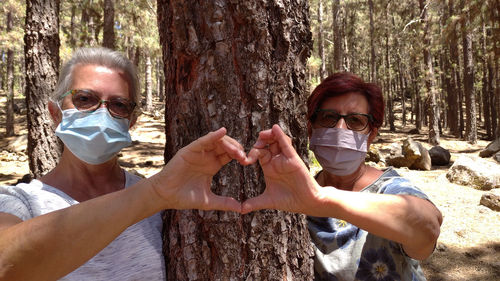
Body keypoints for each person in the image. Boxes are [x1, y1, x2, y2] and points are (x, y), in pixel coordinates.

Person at [0, 47, 249, 280]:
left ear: (131, 122)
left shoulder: (162, 205)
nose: (101, 113)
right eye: (85, 99)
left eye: (119, 105)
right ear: (55, 114)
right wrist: (152, 194)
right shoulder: (19, 201)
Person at [243, 72, 443, 280]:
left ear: (371, 134)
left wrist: (322, 200)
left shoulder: (389, 189)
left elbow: (427, 228)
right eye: (328, 117)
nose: (340, 128)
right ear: (311, 129)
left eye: (355, 120)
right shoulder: (294, 190)